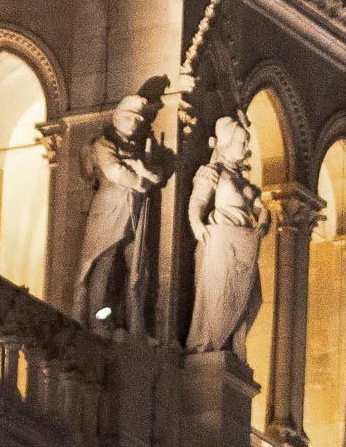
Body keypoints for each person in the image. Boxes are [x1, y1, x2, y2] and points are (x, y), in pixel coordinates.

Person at [70, 91, 174, 330]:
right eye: (130, 118)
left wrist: (144, 171)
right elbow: (113, 171)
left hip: (133, 211)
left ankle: (134, 323)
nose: (135, 123)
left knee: (138, 266)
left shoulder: (137, 151)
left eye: (138, 120)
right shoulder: (103, 143)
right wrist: (140, 177)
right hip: (111, 207)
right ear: (117, 119)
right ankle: (97, 321)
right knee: (103, 262)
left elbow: (157, 173)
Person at [184, 111, 266, 356]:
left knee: (252, 299)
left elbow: (262, 209)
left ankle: (233, 344)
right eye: (242, 143)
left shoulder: (243, 183)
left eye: (247, 143)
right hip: (221, 243)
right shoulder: (213, 173)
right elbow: (197, 202)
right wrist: (197, 225)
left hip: (244, 244)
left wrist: (262, 223)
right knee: (219, 300)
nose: (246, 148)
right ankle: (211, 346)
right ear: (227, 144)